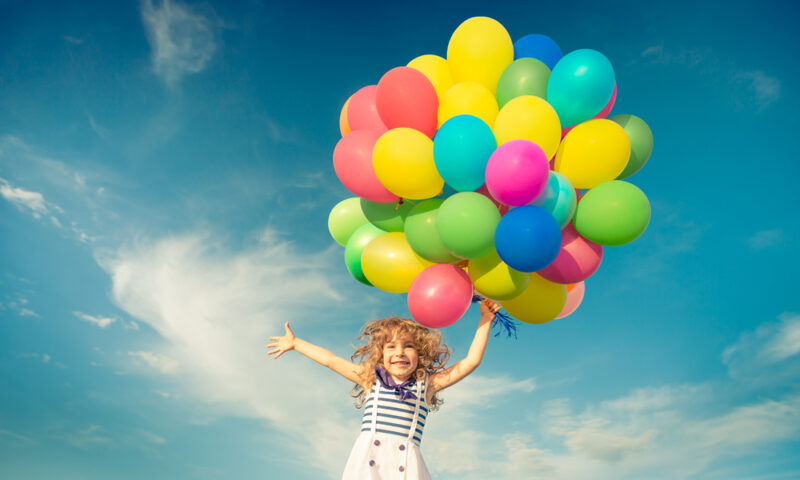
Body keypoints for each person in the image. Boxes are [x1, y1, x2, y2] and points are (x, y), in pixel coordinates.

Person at [266, 298, 501, 479]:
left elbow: (470, 362)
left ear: (419, 354)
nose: (399, 352)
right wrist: (296, 344)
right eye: (391, 347)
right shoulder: (371, 379)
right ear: (381, 354)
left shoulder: (426, 386)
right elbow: (330, 360)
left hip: (406, 466)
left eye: (408, 346)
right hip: (368, 463)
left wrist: (485, 320)